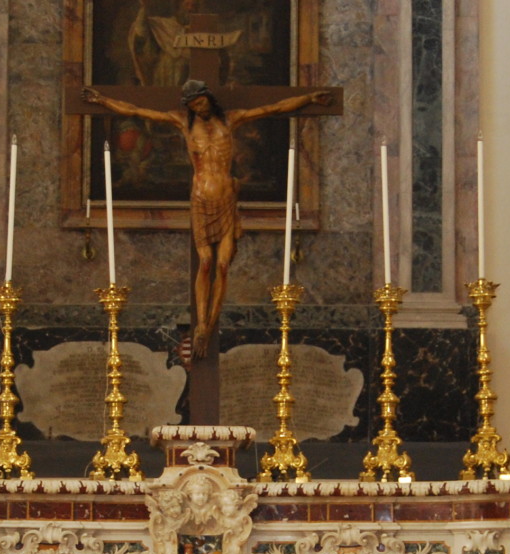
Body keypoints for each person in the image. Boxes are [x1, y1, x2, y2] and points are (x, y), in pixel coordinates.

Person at [82, 78, 331, 358]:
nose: (198, 108)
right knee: (206, 262)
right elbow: (136, 111)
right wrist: (102, 101)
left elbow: (273, 108)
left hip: (226, 199)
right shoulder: (183, 122)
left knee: (223, 266)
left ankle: (209, 326)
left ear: (209, 98)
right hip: (201, 200)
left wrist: (309, 98)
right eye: (193, 105)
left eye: (200, 102)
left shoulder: (231, 120)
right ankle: (200, 323)